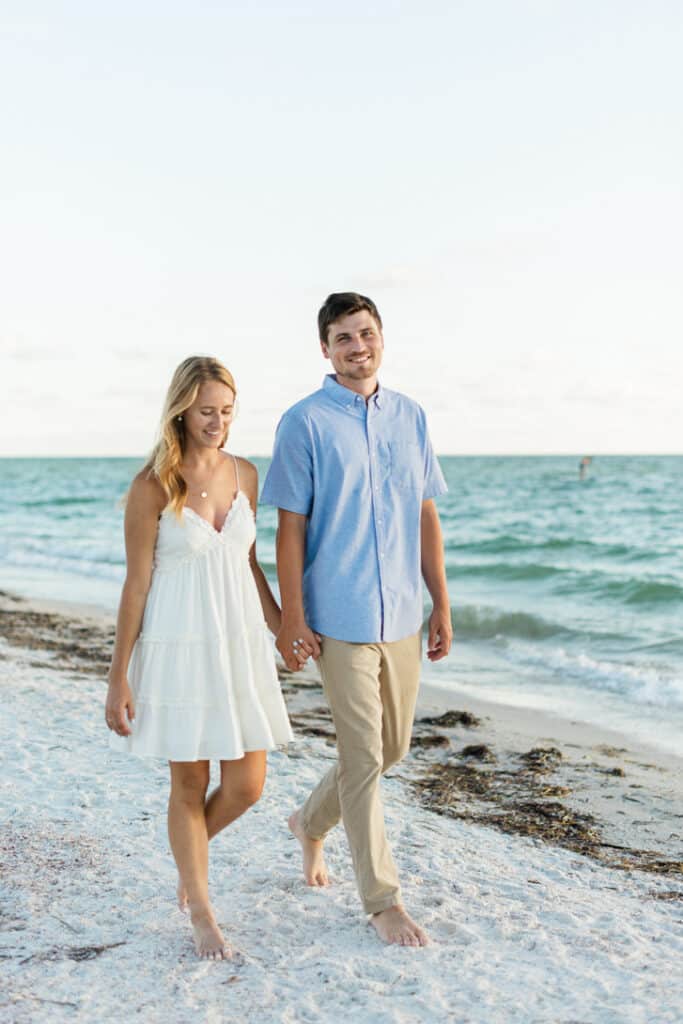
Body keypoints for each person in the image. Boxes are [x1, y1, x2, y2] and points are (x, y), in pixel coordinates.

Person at [261, 292, 452, 948]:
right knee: (362, 754)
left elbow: (424, 514)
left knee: (390, 748)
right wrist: (291, 615)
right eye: (342, 338)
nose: (356, 346)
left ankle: (309, 822)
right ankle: (382, 901)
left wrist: (440, 603)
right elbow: (290, 528)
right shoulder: (303, 423)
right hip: (336, 615)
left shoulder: (411, 417)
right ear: (325, 349)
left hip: (400, 610)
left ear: (380, 338)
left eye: (365, 334)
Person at [105, 356, 294, 961]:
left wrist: (284, 627)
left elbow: (246, 563)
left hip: (237, 644)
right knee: (191, 782)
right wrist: (118, 678)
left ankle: (190, 863)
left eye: (228, 411)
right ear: (182, 408)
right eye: (207, 411)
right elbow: (136, 586)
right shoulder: (153, 485)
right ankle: (203, 910)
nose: (218, 422)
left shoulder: (246, 474)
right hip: (178, 646)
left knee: (248, 784)